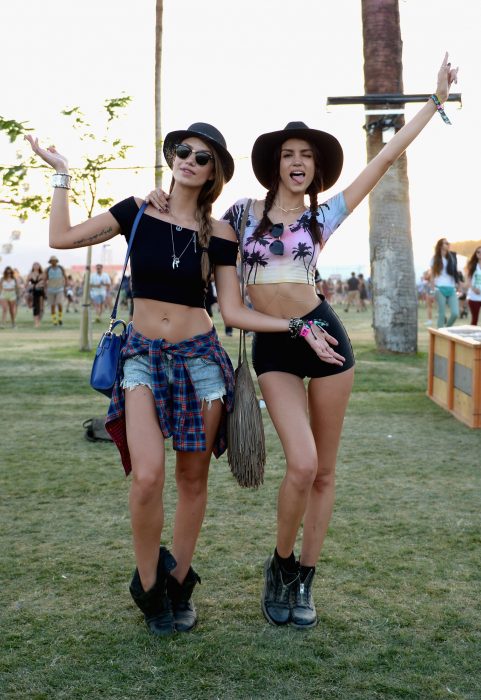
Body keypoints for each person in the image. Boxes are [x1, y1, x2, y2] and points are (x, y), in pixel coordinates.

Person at [148, 53, 458, 630]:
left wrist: (433, 101)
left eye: (306, 156)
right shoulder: (241, 214)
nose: (297, 162)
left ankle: (301, 578)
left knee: (325, 472)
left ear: (317, 170)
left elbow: (388, 155)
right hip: (276, 347)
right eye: (289, 155)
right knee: (302, 463)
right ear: (274, 166)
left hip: (326, 338)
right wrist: (156, 198)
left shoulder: (325, 216)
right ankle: (279, 561)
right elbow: (193, 209)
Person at [26, 122, 336, 638]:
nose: (189, 160)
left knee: (192, 479)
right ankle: (148, 586)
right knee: (147, 475)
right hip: (142, 357)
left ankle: (177, 581)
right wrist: (61, 175)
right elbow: (61, 237)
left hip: (201, 362)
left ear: (213, 172)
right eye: (182, 152)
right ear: (172, 159)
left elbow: (234, 310)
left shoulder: (219, 234)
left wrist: (295, 324)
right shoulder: (137, 211)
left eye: (202, 156)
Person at [429, 237, 460, 328]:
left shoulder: (452, 257)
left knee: (455, 313)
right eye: (445, 243)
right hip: (439, 288)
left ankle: (445, 330)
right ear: (440, 246)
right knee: (441, 314)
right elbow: (432, 276)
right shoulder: (434, 258)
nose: (448, 244)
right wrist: (432, 291)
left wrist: (458, 283)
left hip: (451, 288)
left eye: (448, 243)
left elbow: (455, 272)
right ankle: (440, 334)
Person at [44, 255, 67, 326]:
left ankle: (60, 318)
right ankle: (54, 321)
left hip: (60, 289)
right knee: (52, 305)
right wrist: (45, 288)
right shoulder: (48, 269)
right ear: (50, 262)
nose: (53, 262)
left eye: (54, 260)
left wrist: (66, 285)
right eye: (52, 261)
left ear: (56, 261)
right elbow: (45, 279)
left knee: (59, 303)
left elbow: (65, 277)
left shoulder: (61, 268)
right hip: (50, 289)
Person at [465, 245, 481, 326]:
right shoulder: (472, 266)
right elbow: (468, 281)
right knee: (475, 319)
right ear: (476, 254)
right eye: (478, 252)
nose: (480, 253)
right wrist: (474, 289)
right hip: (474, 297)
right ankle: (470, 338)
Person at [26, 262, 46, 327]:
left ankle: (39, 320)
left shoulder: (42, 274)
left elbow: (45, 284)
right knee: (35, 308)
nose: (36, 266)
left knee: (41, 308)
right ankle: (36, 322)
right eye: (34, 265)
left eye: (37, 265)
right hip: (33, 292)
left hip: (41, 292)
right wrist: (33, 286)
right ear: (32, 266)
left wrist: (40, 285)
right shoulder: (30, 275)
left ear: (39, 266)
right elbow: (26, 284)